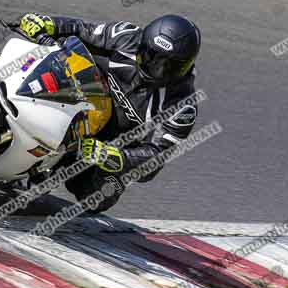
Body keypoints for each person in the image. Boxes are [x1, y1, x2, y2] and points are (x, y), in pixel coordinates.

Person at [17, 12, 202, 213]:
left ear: (184, 66)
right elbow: (82, 29)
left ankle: (49, 168)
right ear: (143, 43)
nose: (156, 69)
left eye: (168, 66)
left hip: (105, 146)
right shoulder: (126, 35)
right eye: (151, 56)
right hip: (80, 99)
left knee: (101, 195)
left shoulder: (182, 105)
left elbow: (155, 159)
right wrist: (49, 23)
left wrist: (114, 155)